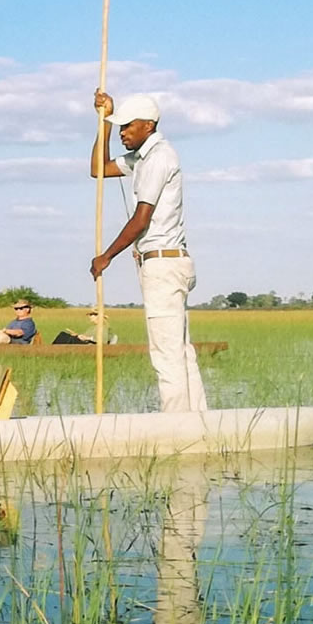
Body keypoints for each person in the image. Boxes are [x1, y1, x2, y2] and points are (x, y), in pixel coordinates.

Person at [90, 91, 208, 413]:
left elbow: (141, 217)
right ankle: (198, 420)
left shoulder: (159, 157)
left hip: (163, 264)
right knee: (180, 351)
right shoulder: (141, 158)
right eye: (120, 128)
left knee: (167, 353)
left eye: (127, 126)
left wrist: (107, 256)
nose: (123, 132)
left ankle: (176, 426)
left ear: (148, 125)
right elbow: (98, 169)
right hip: (166, 262)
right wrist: (104, 120)